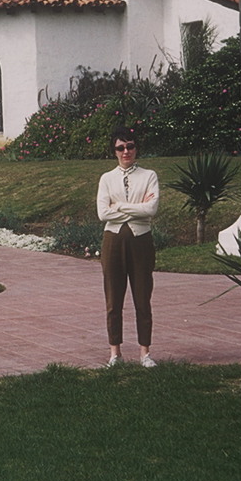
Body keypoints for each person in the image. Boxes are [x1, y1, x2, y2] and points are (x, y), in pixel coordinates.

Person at [96, 126, 159, 368]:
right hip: (113, 242)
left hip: (141, 241)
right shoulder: (106, 179)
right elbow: (102, 213)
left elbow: (151, 209)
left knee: (143, 297)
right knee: (113, 299)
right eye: (121, 148)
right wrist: (135, 208)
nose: (126, 152)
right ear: (114, 151)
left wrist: (118, 206)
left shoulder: (149, 175)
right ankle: (115, 353)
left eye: (130, 146)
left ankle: (145, 352)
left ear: (136, 148)